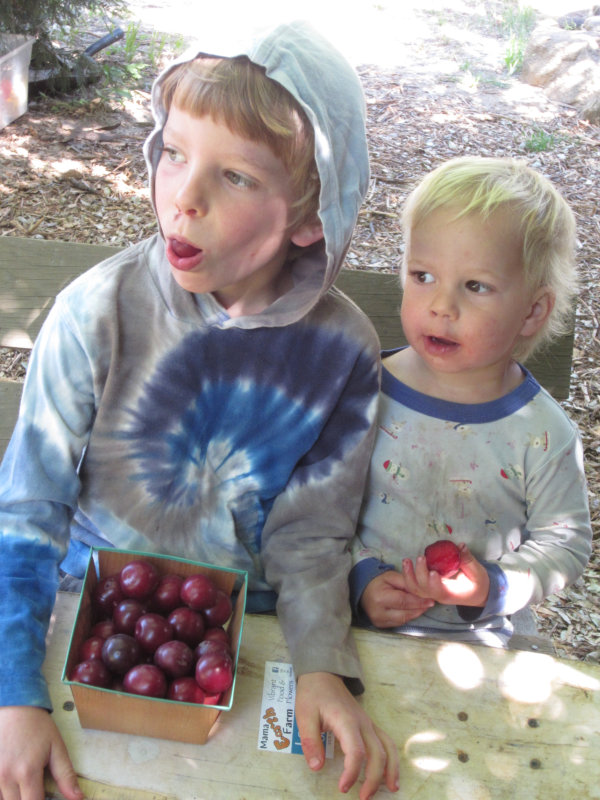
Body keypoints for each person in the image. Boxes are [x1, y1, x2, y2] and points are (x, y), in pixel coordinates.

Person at [0, 21, 399, 800]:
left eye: (236, 177)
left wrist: (321, 667)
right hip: (83, 633)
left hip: (243, 651)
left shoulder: (343, 350)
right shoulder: (97, 313)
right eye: (175, 152)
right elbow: (27, 509)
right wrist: (14, 690)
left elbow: (312, 533)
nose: (184, 196)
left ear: (311, 216)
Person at [349, 156, 592, 646]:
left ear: (532, 312)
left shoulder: (541, 433)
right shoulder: (363, 391)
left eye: (475, 286)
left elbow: (565, 543)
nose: (442, 305)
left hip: (478, 646)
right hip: (349, 629)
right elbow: (314, 505)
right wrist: (359, 578)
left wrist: (495, 586)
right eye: (422, 276)